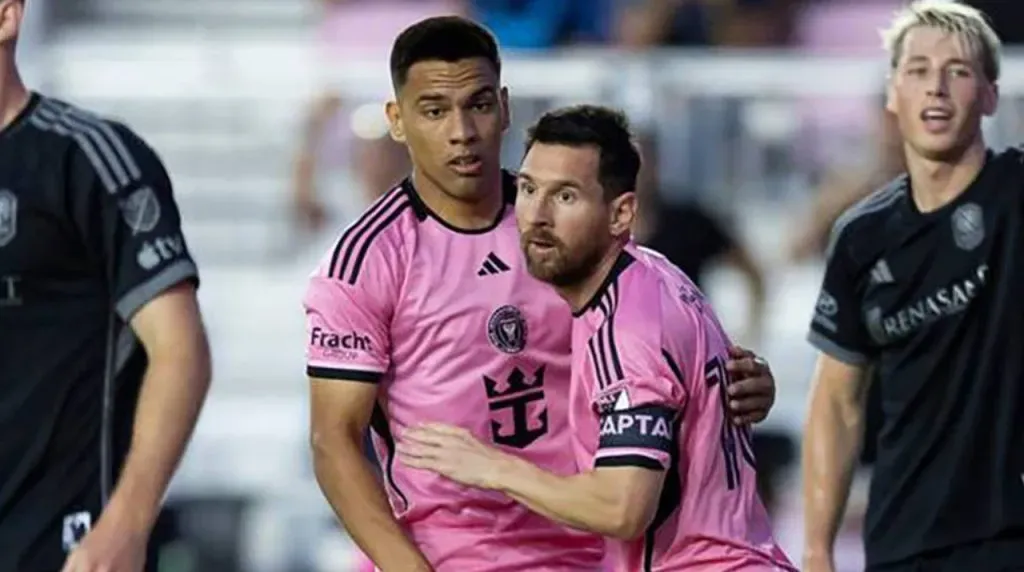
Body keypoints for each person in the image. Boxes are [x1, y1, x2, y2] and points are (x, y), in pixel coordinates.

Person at [303, 16, 780, 571]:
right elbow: (334, 442)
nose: (462, 131)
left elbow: (653, 338)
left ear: (505, 107)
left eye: (478, 104)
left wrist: (735, 386)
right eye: (435, 110)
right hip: (456, 555)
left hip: (592, 543)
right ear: (398, 120)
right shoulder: (366, 261)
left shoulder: (569, 227)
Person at [398, 104, 796, 571]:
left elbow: (622, 508)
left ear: (621, 212)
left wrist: (489, 467)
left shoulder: (625, 330)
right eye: (528, 189)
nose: (538, 215)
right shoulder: (657, 274)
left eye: (565, 197)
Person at [802, 2, 1024, 571]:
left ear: (991, 95)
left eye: (959, 71)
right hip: (902, 542)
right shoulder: (860, 236)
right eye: (919, 70)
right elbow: (836, 402)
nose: (937, 89)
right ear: (892, 94)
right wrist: (817, 550)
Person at [0, 1, 212, 571]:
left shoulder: (87, 158)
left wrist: (126, 523)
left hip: (59, 545)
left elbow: (180, 351)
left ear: (7, 18)